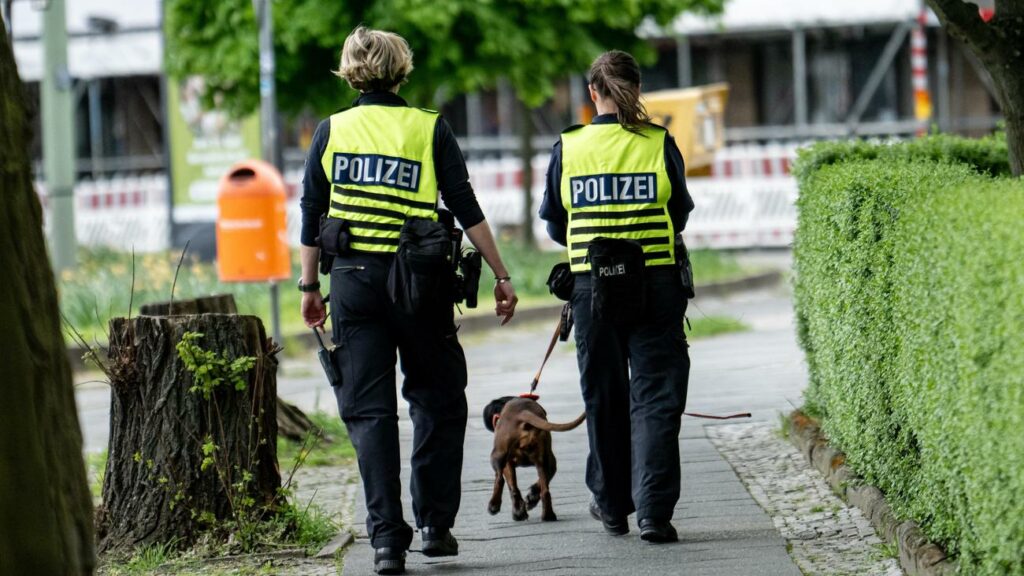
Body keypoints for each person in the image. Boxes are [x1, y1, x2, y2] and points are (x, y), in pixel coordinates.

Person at [298, 26, 519, 575]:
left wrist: (308, 287)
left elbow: (310, 212)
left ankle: (386, 543)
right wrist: (500, 274)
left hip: (352, 281)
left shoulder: (331, 131)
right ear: (402, 69)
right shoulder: (429, 128)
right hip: (420, 283)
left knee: (369, 413)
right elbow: (465, 205)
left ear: (350, 70)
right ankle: (436, 525)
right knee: (439, 399)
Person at [538, 50, 694, 544]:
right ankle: (653, 513)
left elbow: (554, 221)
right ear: (637, 89)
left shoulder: (569, 146)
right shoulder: (659, 143)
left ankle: (611, 506)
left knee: (603, 396)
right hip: (656, 284)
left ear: (592, 94)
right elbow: (680, 211)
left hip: (593, 288)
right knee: (656, 398)